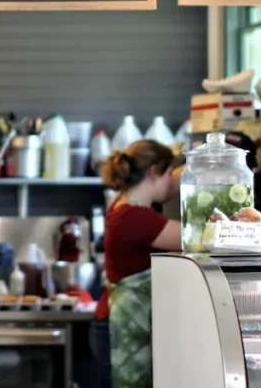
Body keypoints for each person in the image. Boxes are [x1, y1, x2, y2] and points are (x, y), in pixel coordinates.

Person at [89, 140, 182, 388]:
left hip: (114, 320)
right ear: (154, 172)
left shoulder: (124, 204)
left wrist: (197, 163)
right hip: (117, 326)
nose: (171, 181)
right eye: (169, 174)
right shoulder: (134, 217)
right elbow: (196, 239)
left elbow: (169, 188)